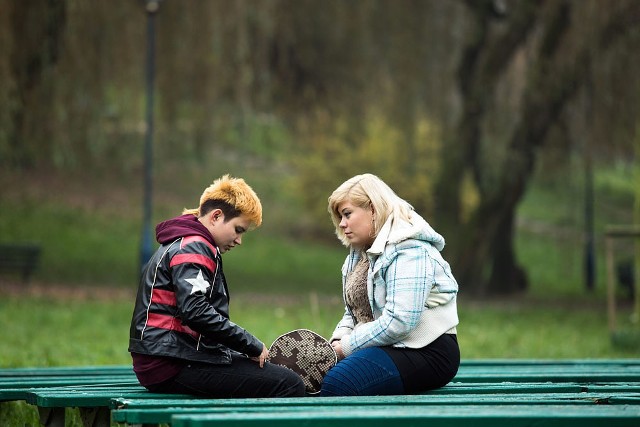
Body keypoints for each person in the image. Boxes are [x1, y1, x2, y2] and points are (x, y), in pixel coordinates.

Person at [128, 175, 305, 398]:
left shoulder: (183, 242)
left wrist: (237, 350)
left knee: (268, 374)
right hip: (170, 363)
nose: (239, 240)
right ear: (216, 216)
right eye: (238, 229)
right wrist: (251, 344)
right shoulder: (195, 247)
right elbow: (196, 311)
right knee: (289, 384)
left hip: (166, 358)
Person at [321, 173, 460, 396]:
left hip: (426, 351)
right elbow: (353, 311)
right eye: (339, 217)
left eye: (347, 214)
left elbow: (400, 321)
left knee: (339, 384)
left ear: (373, 209)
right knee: (314, 380)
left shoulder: (410, 250)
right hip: (386, 346)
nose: (342, 224)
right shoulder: (359, 254)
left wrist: (346, 347)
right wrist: (337, 340)